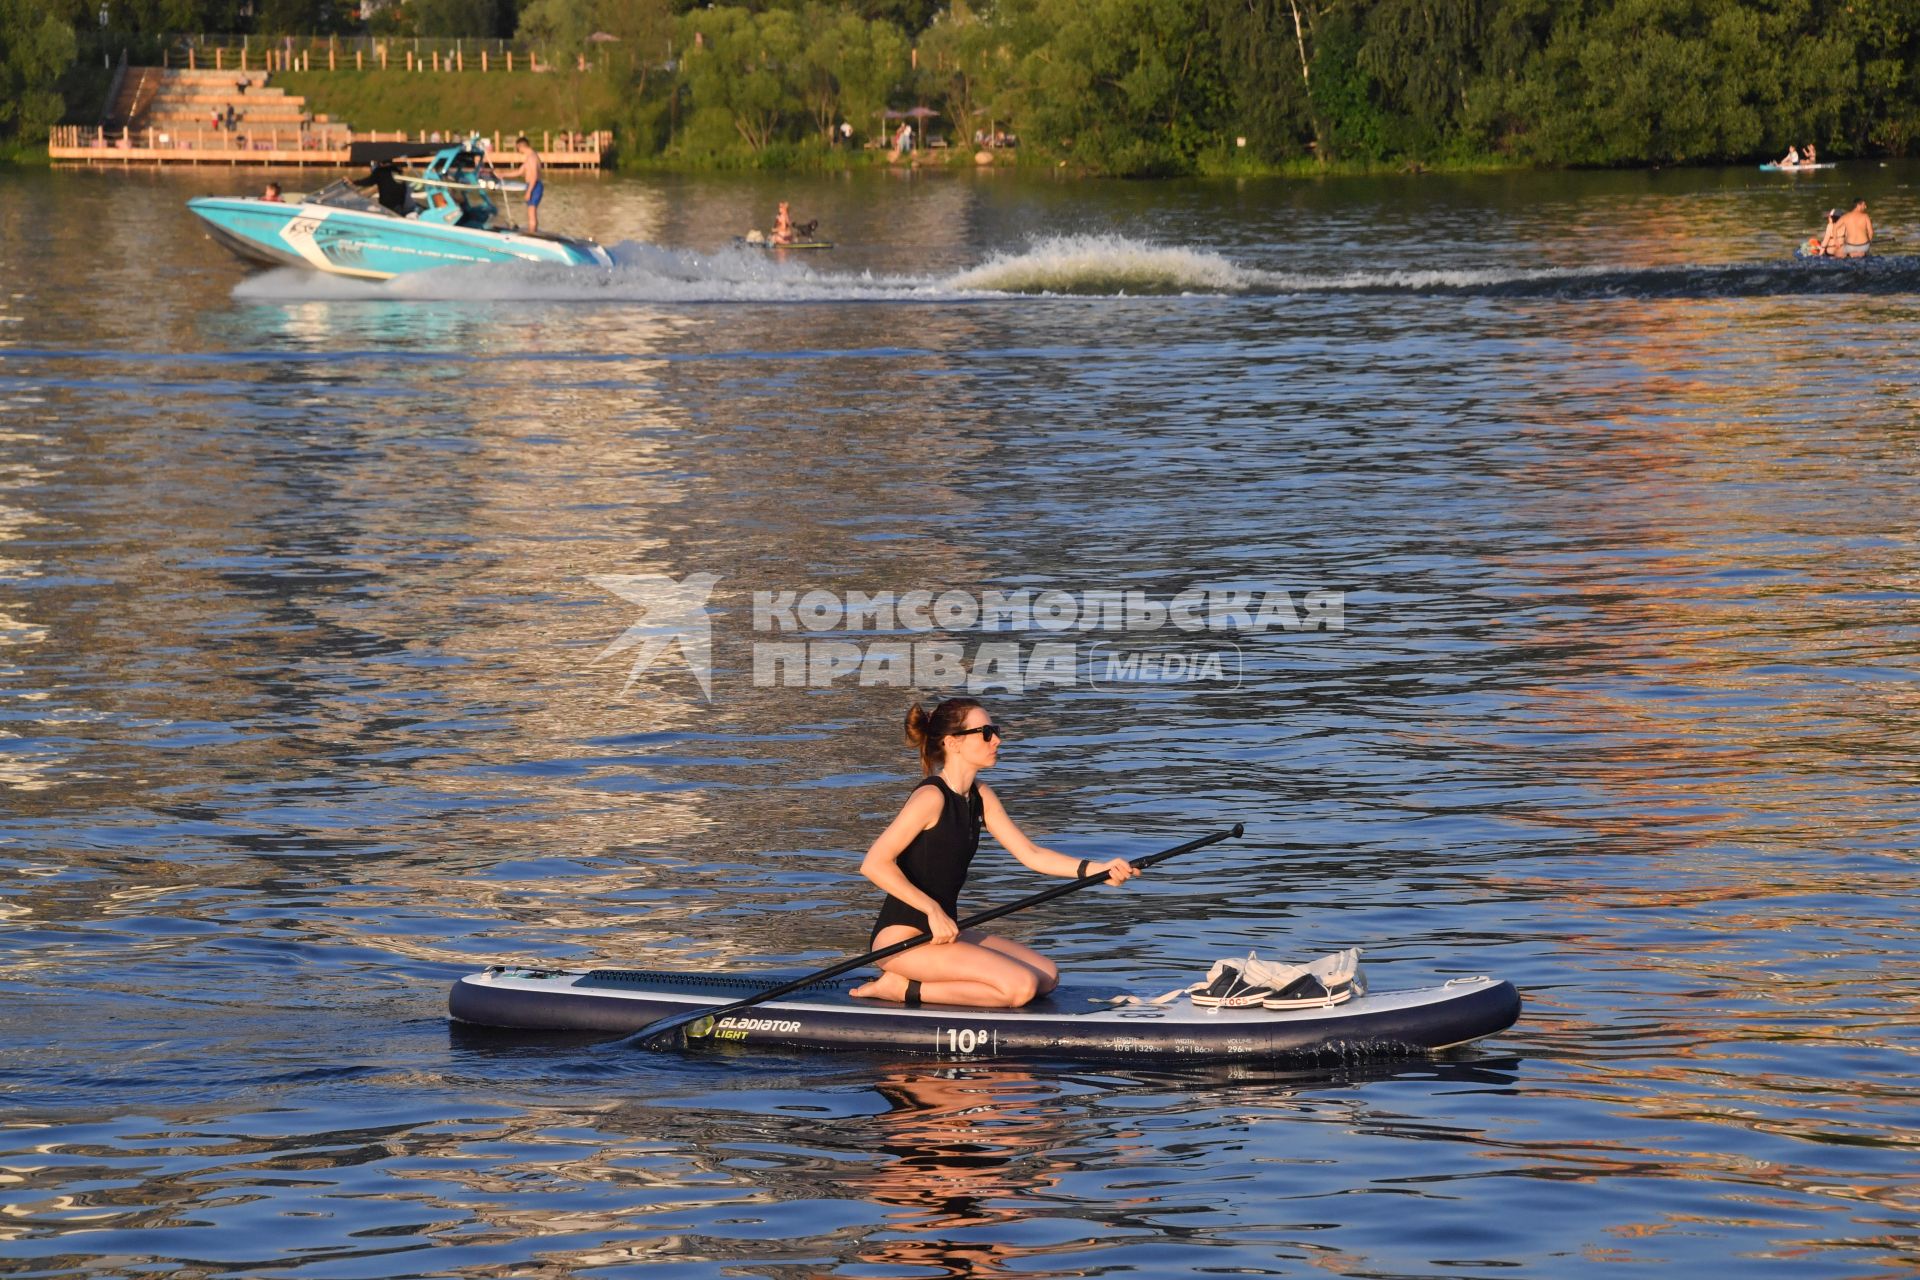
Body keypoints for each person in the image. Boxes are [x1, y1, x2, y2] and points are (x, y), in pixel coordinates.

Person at [848, 699, 1137, 1009]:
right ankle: (900, 988)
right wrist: (932, 911)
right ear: (952, 742)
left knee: (1047, 977)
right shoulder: (930, 796)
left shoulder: (980, 796)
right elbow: (874, 863)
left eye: (994, 731)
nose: (996, 739)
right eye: (985, 732)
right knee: (1020, 988)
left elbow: (1030, 853)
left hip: (944, 934)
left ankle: (916, 982)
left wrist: (1096, 870)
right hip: (903, 940)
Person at [511, 135, 544, 231]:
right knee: (530, 211)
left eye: (518, 149)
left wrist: (529, 191)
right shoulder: (530, 157)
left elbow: (534, 176)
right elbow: (519, 172)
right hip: (532, 185)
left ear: (520, 146)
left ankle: (532, 234)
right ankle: (532, 231)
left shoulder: (532, 157)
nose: (519, 151)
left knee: (531, 211)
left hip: (535, 185)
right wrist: (501, 174)